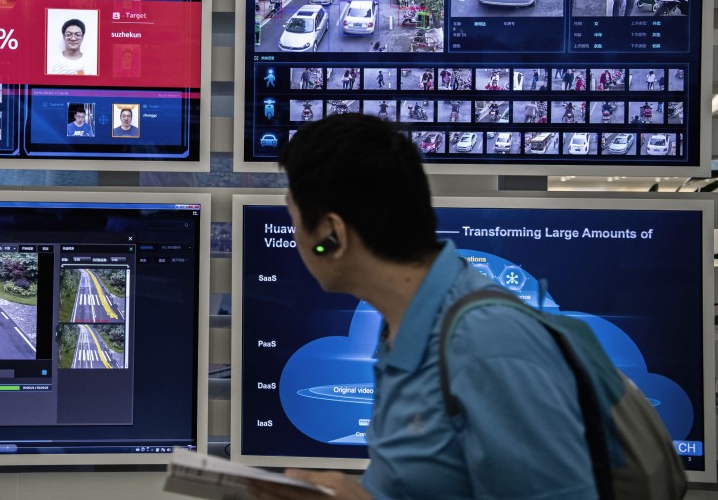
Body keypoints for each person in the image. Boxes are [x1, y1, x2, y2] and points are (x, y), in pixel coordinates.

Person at [248, 114, 596, 500]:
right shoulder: (404, 328)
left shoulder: (487, 342)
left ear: (331, 235)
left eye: (294, 220)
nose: (295, 236)